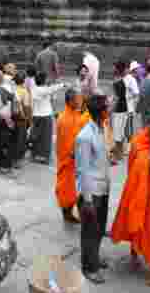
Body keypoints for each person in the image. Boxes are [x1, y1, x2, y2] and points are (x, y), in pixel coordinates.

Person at [110, 110, 150, 289]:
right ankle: (134, 254)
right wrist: (137, 182)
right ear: (148, 126)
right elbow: (130, 165)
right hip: (136, 190)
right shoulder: (137, 141)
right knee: (133, 221)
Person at [76, 93, 112, 284]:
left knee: (98, 229)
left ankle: (95, 258)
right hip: (91, 193)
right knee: (89, 232)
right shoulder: (85, 137)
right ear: (101, 112)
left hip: (103, 187)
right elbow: (82, 170)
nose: (110, 109)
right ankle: (89, 267)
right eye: (107, 107)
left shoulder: (102, 129)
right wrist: (88, 200)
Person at [56, 87, 91, 222]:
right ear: (71, 101)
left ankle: (70, 213)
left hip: (71, 160)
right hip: (70, 160)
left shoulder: (73, 114)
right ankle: (68, 214)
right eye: (78, 98)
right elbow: (72, 146)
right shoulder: (66, 119)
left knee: (71, 189)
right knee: (69, 190)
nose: (81, 100)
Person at [31, 72, 68, 164]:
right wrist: (63, 84)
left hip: (36, 115)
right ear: (43, 80)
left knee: (37, 137)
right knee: (46, 138)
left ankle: (35, 155)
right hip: (45, 116)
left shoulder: (34, 89)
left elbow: (50, 90)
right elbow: (52, 89)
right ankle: (44, 157)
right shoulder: (43, 90)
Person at [12, 71, 32, 168]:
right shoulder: (24, 92)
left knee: (12, 137)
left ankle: (10, 158)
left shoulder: (11, 89)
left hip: (11, 116)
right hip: (20, 117)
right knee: (20, 139)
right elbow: (26, 106)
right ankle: (17, 160)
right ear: (23, 81)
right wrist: (28, 118)